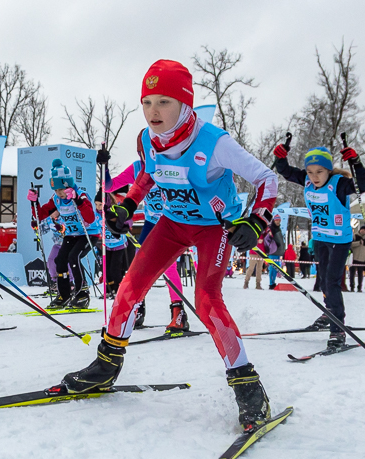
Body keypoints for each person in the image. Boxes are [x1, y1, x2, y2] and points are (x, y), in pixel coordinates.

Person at [62, 59, 280, 434]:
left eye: (164, 101)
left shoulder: (214, 142)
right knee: (130, 286)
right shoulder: (149, 140)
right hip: (173, 224)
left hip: (214, 227)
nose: (153, 112)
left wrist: (256, 221)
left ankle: (248, 387)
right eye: (147, 102)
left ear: (184, 103)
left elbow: (267, 179)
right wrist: (128, 206)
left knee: (207, 299)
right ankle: (106, 366)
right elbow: (148, 175)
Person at [275, 142, 365, 347]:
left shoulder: (339, 184)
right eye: (310, 172)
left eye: (319, 172)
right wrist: (280, 157)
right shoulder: (307, 181)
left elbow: (362, 186)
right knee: (323, 281)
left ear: (328, 170)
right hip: (320, 239)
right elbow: (286, 172)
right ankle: (329, 312)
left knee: (332, 282)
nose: (314, 177)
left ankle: (338, 329)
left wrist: (356, 162)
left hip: (339, 241)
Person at [105, 156, 188, 332]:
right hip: (151, 222)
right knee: (138, 265)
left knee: (169, 266)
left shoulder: (170, 163)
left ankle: (178, 313)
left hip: (171, 221)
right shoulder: (138, 167)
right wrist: (104, 167)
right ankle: (137, 310)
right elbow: (109, 186)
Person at [28, 158, 102, 310]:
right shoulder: (56, 199)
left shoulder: (80, 195)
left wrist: (77, 200)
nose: (59, 193)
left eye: (61, 189)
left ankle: (82, 294)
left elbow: (90, 217)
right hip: (71, 234)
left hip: (89, 234)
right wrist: (34, 203)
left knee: (73, 257)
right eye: (56, 190)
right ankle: (64, 294)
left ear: (68, 184)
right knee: (60, 260)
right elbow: (40, 215)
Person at [96, 191, 129, 298]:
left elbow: (127, 221)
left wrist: (121, 223)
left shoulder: (115, 210)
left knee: (115, 268)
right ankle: (109, 289)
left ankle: (118, 289)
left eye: (100, 204)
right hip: (107, 245)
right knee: (106, 269)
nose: (98, 207)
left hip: (118, 244)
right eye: (96, 204)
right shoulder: (97, 214)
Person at [265, 215, 285, 289]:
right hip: (273, 251)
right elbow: (267, 239)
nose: (278, 222)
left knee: (275, 269)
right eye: (276, 220)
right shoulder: (271, 228)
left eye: (279, 221)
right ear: (274, 221)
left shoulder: (278, 229)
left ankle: (273, 282)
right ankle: (271, 283)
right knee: (272, 268)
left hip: (277, 252)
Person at [349, 226, 365, 292]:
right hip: (354, 258)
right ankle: (352, 286)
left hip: (362, 258)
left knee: (360, 274)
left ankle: (359, 287)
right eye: (362, 230)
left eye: (364, 230)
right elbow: (351, 245)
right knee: (352, 273)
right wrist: (359, 243)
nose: (363, 231)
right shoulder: (355, 236)